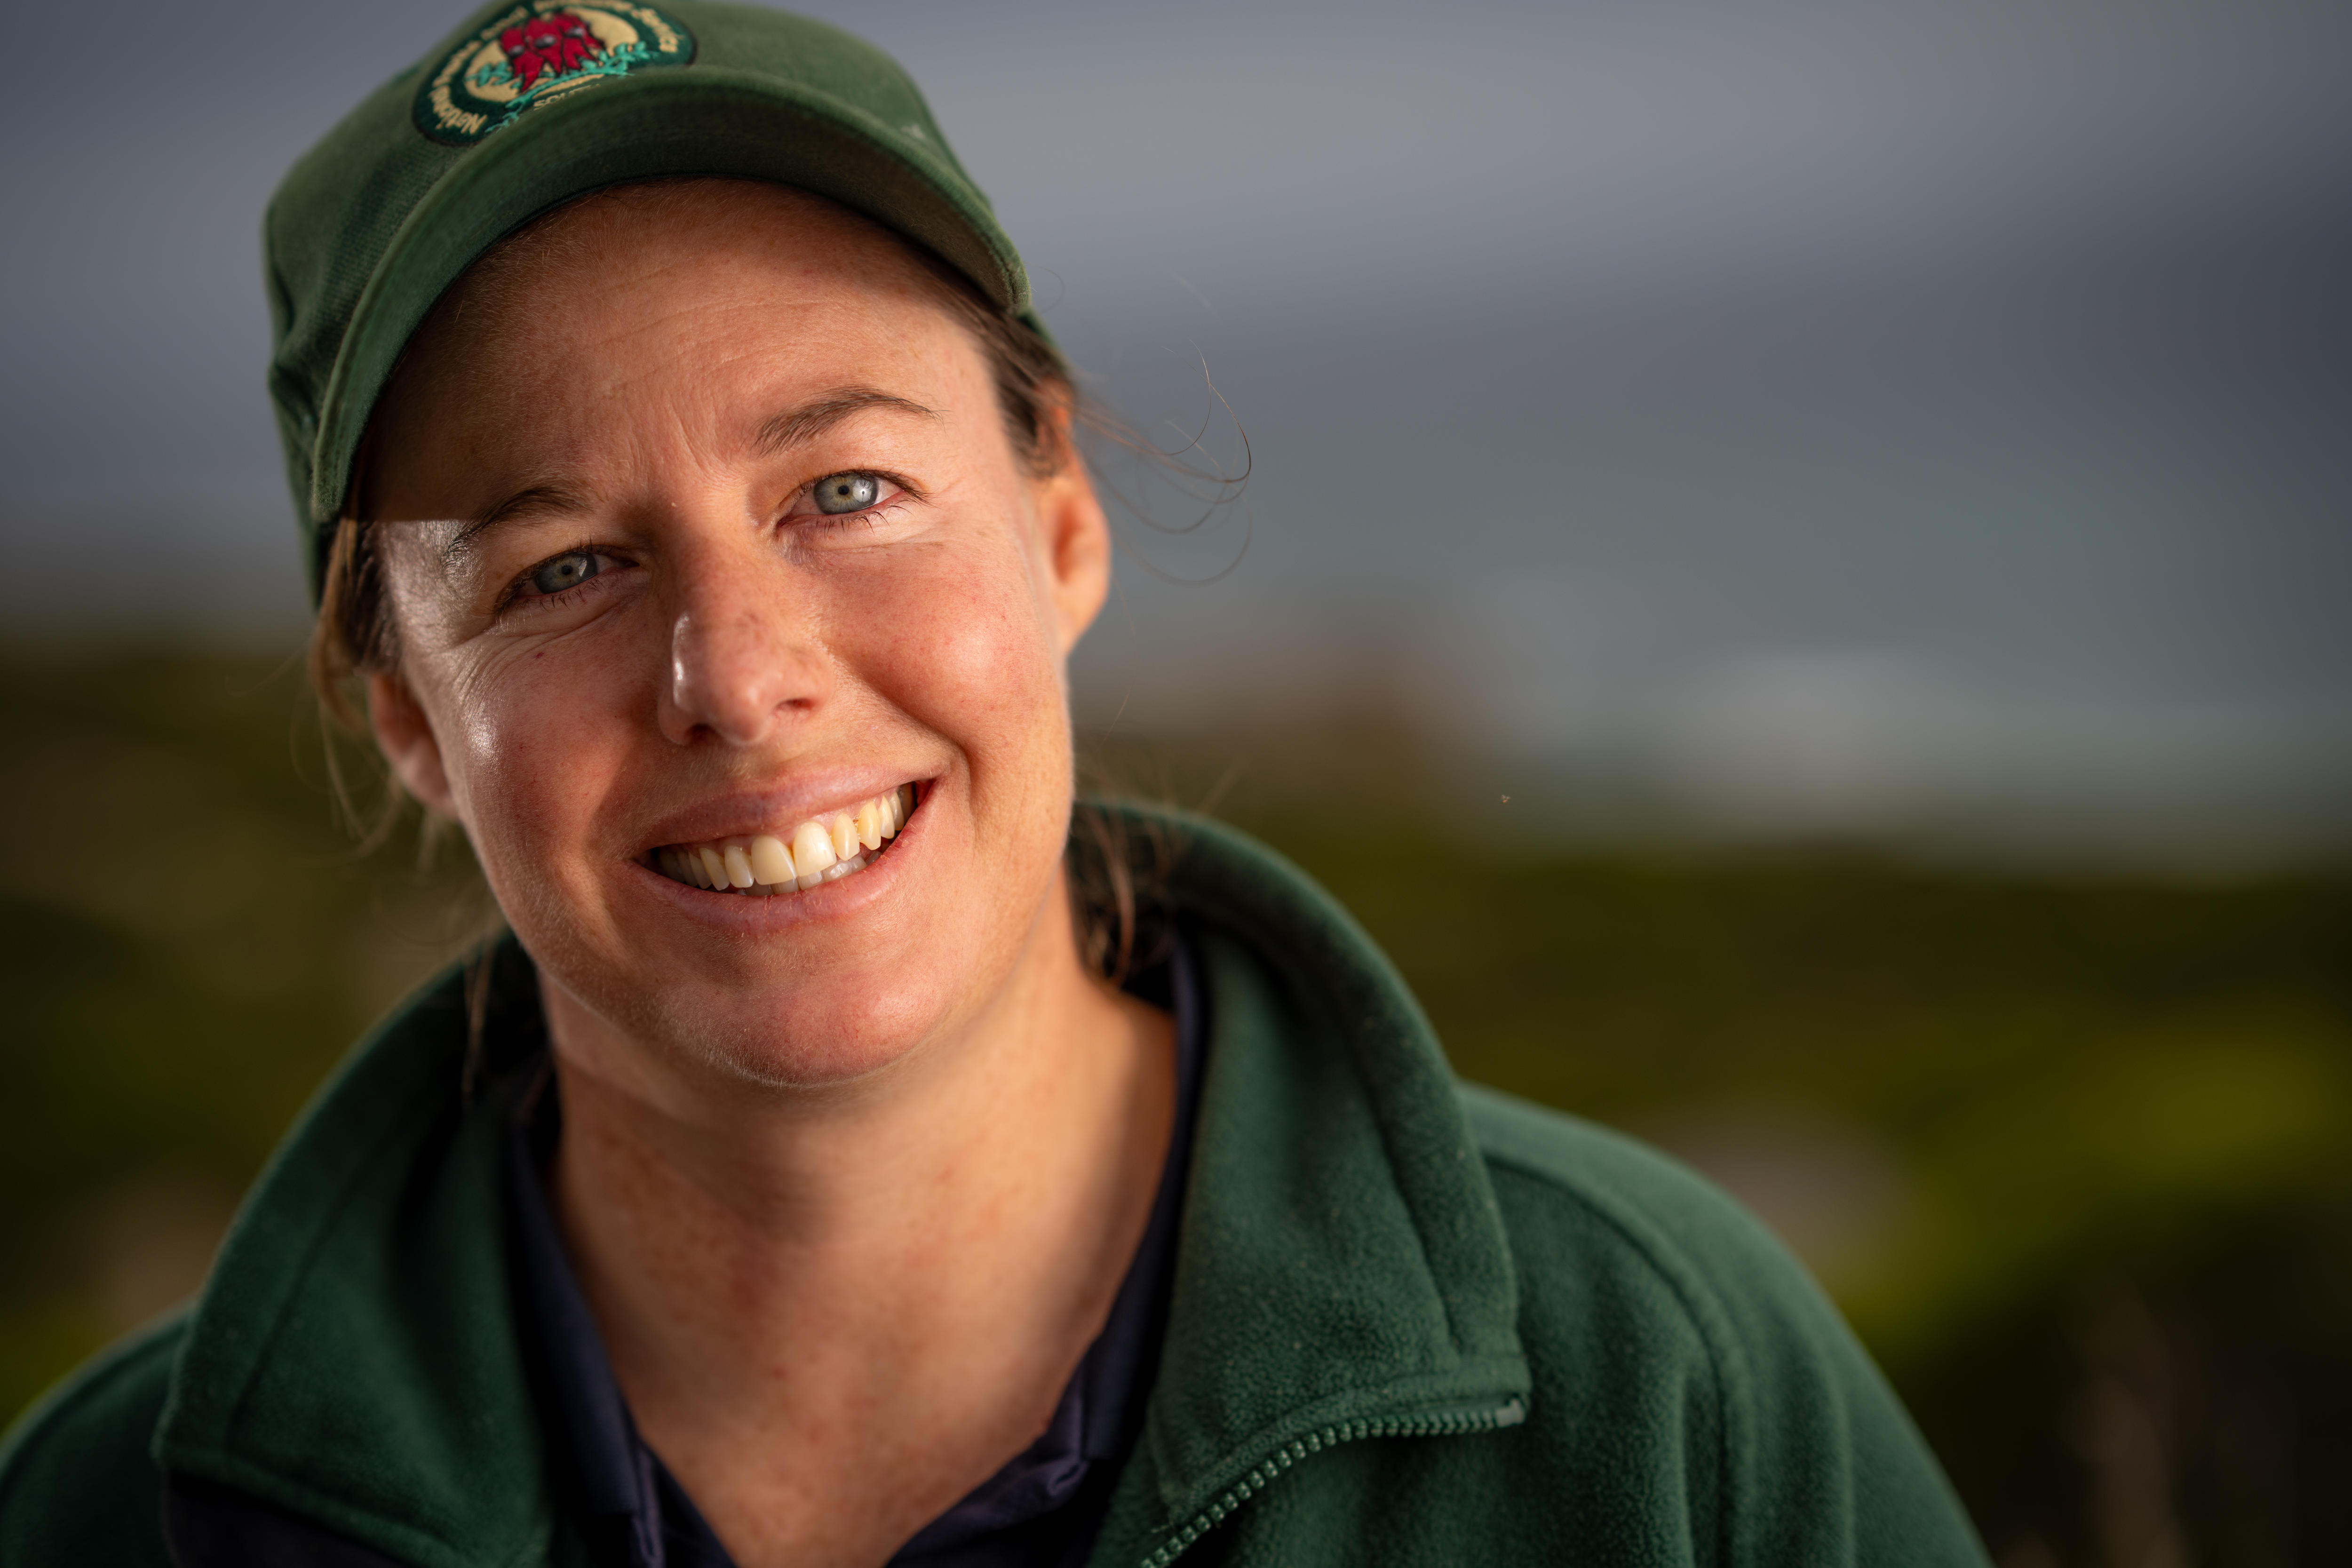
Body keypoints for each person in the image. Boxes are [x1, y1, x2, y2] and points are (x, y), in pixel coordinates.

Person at [0, 4, 1991, 1565]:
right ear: (411, 722)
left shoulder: (1651, 1389)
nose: (743, 679)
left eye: (845, 491)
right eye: (561, 571)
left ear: (1058, 533)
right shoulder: (100, 1524)